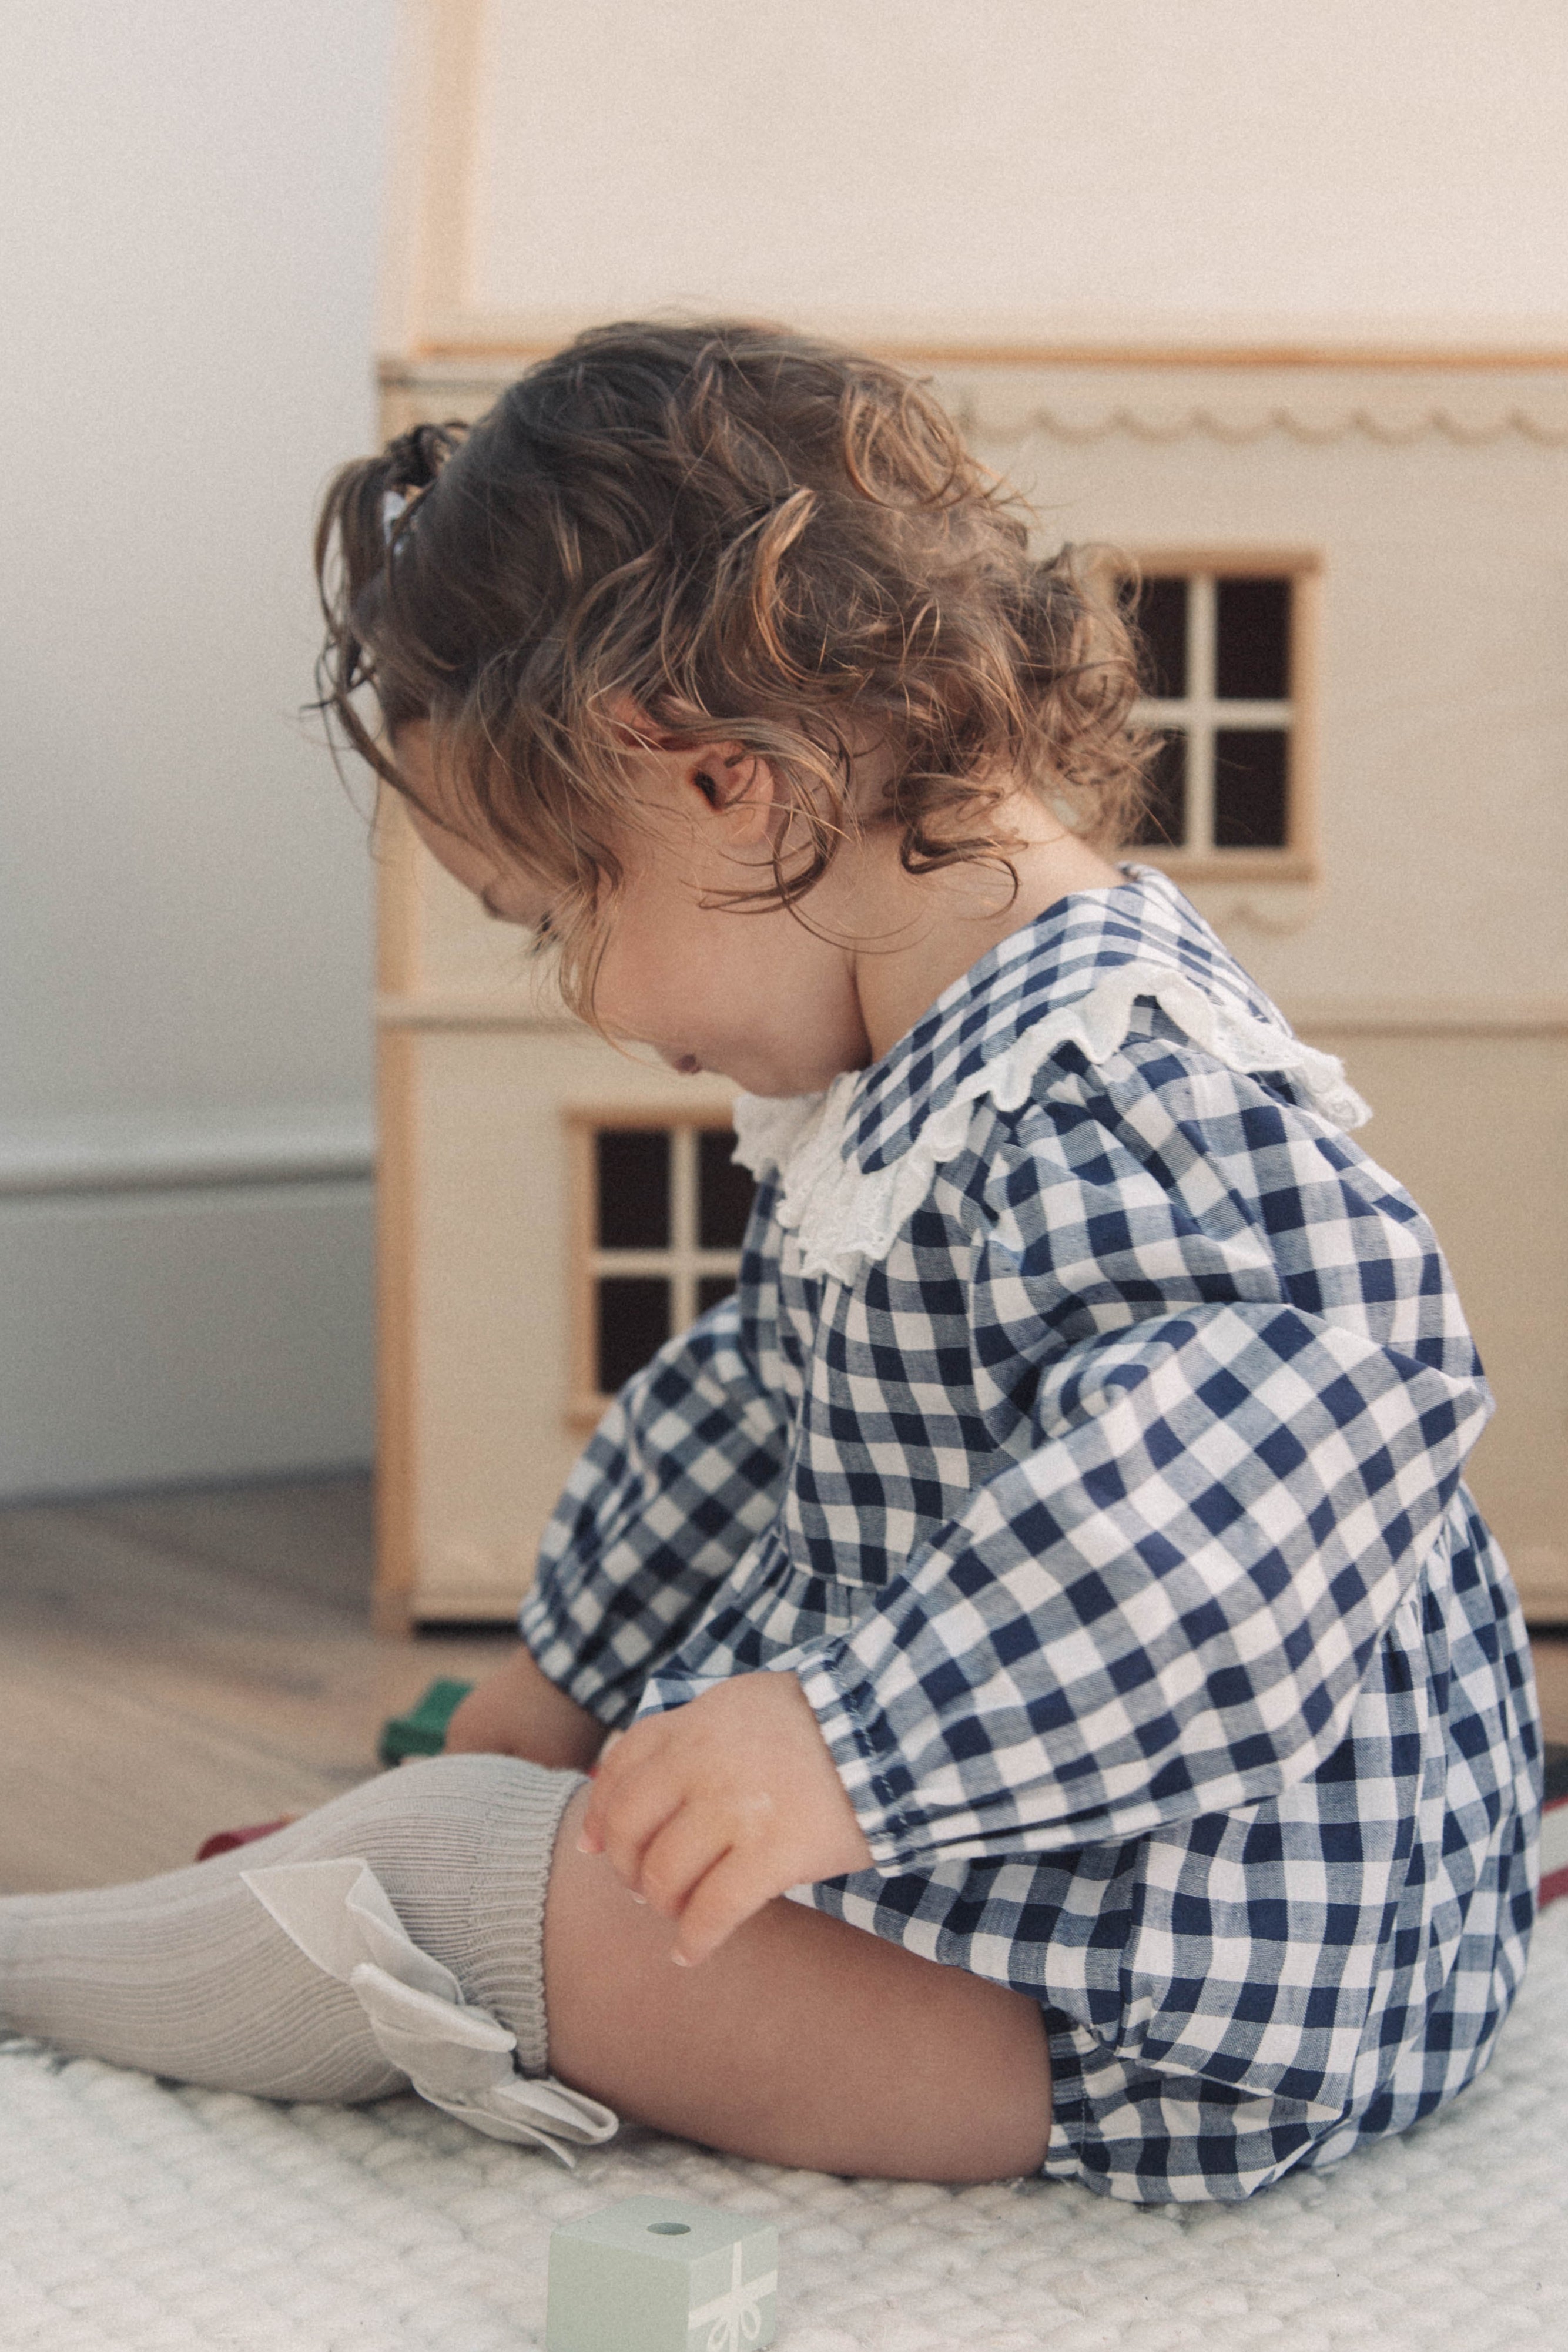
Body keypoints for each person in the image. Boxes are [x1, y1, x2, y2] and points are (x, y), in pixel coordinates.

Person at [0, 322, 1542, 2203]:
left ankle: (60, 1960)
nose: (587, 991)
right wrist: (557, 1679)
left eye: (565, 910)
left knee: (486, 1892)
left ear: (725, 786)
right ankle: (277, 1901)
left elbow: (1250, 1487)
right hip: (1032, 1913)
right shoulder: (905, 1089)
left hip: (1169, 2011)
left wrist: (850, 1739)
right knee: (511, 1827)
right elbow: (742, 1415)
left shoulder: (1112, 1087)